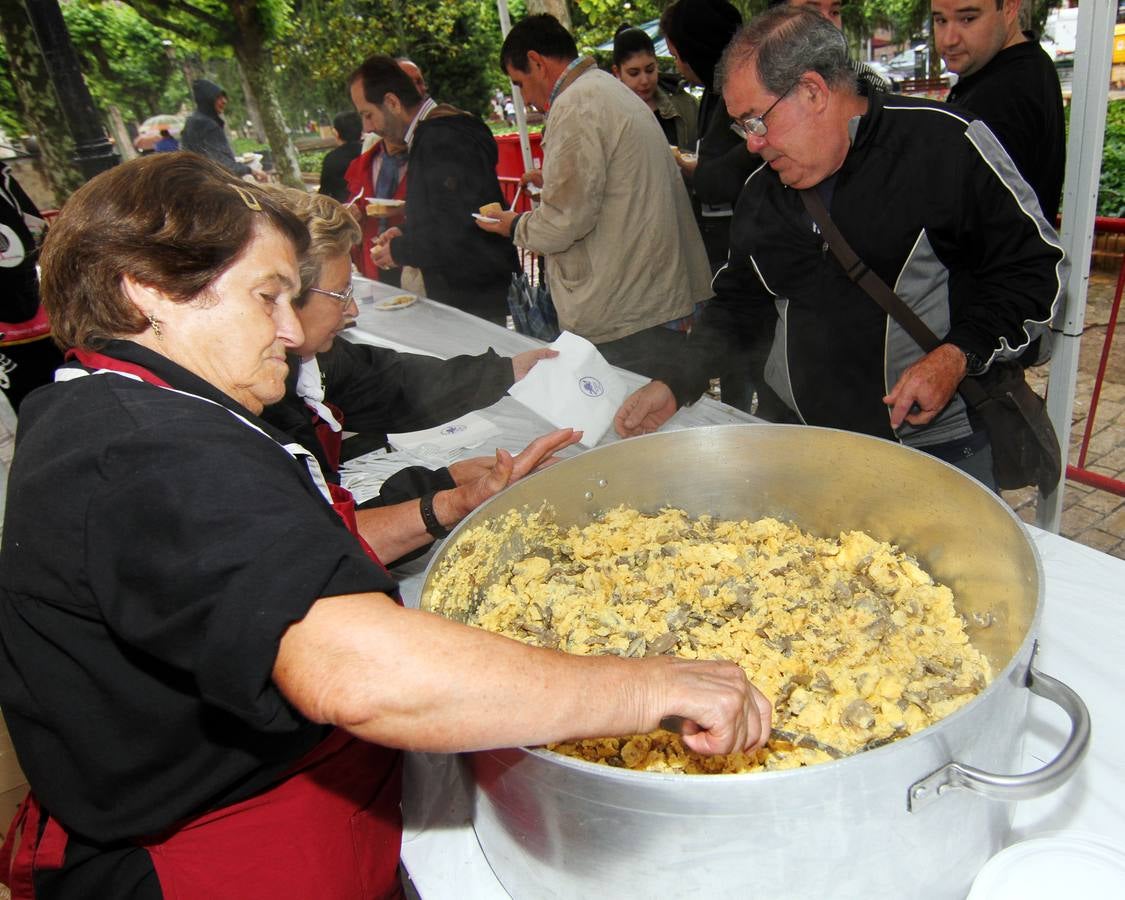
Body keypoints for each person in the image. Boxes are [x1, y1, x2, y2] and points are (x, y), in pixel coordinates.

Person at [0, 153, 771, 898]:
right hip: (221, 847)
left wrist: (444, 505)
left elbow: (271, 569)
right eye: (266, 296)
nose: (294, 332)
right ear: (152, 295)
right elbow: (357, 671)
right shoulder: (147, 449)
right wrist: (648, 685)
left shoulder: (125, 409)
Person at [615, 7, 1067, 490]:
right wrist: (674, 382)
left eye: (756, 121)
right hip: (802, 444)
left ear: (812, 91)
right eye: (742, 128)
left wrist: (957, 355)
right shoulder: (762, 192)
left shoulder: (943, 145)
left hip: (930, 449)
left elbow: (1033, 271)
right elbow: (739, 308)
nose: (752, 144)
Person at [259, 185, 558, 564]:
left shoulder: (307, 361)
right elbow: (313, 549)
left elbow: (394, 383)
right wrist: (449, 494)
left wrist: (507, 372)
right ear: (281, 299)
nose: (352, 310)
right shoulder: (258, 408)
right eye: (340, 294)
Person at [477, 14, 712, 379]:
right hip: (650, 299)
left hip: (628, 312)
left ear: (537, 62)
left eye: (520, 83)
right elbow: (606, 190)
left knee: (634, 425)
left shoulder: (576, 105)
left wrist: (516, 225)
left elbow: (563, 222)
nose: (524, 97)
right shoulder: (604, 88)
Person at [349, 55, 519, 324]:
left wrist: (400, 249)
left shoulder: (441, 137)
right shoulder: (436, 133)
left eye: (368, 114)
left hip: (472, 297)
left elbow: (458, 228)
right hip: (472, 293)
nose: (368, 127)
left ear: (392, 102)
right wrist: (407, 231)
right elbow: (451, 210)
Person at [934, 0, 1065, 224]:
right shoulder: (1030, 65)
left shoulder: (1003, 95)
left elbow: (959, 218)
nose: (949, 39)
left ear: (1009, 7)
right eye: (941, 20)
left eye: (968, 19)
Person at [0, 163, 63, 413]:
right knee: (31, 401)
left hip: (33, 306)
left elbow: (36, 231)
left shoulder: (5, 181)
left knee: (53, 389)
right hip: (9, 325)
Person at [611, 25, 698, 153]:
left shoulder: (686, 105)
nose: (645, 80)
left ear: (657, 64)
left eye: (650, 70)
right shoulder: (608, 115)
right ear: (617, 72)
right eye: (634, 73)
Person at [180, 78, 268, 182]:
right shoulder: (208, 125)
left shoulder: (191, 121)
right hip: (212, 185)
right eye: (218, 98)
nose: (224, 101)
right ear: (207, 100)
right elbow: (222, 164)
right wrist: (251, 170)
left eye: (224, 97)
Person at [318, 110, 364, 204]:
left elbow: (324, 192)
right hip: (368, 208)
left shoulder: (331, 159)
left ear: (335, 133)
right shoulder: (370, 152)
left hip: (342, 211)